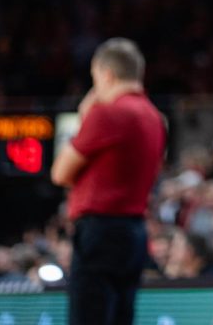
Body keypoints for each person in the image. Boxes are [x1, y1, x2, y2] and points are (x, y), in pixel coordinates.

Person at [51, 37, 167, 325]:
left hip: (100, 232)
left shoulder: (107, 113)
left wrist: (84, 115)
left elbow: (60, 173)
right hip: (134, 233)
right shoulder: (156, 118)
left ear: (106, 74)